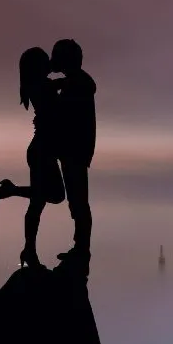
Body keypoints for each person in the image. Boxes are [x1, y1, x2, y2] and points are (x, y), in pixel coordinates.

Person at [0, 47, 65, 268]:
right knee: (53, 196)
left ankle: (29, 250)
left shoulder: (37, 86)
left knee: (38, 202)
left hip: (41, 150)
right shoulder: (43, 86)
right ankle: (11, 191)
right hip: (42, 150)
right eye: (45, 61)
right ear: (37, 66)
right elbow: (63, 85)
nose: (49, 64)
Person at [50, 39, 96, 261]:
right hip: (75, 151)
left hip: (75, 152)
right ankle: (80, 248)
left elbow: (64, 111)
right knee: (77, 202)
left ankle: (81, 249)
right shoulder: (76, 82)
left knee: (78, 202)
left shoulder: (78, 84)